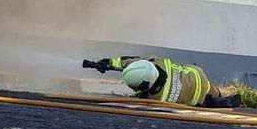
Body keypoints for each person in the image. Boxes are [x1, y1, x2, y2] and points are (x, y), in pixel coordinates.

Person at [87, 55, 241, 108]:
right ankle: (219, 96)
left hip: (196, 99)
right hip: (197, 74)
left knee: (197, 100)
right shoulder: (157, 62)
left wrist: (107, 62)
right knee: (206, 88)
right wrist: (110, 63)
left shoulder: (152, 98)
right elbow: (131, 61)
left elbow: (135, 100)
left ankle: (212, 102)